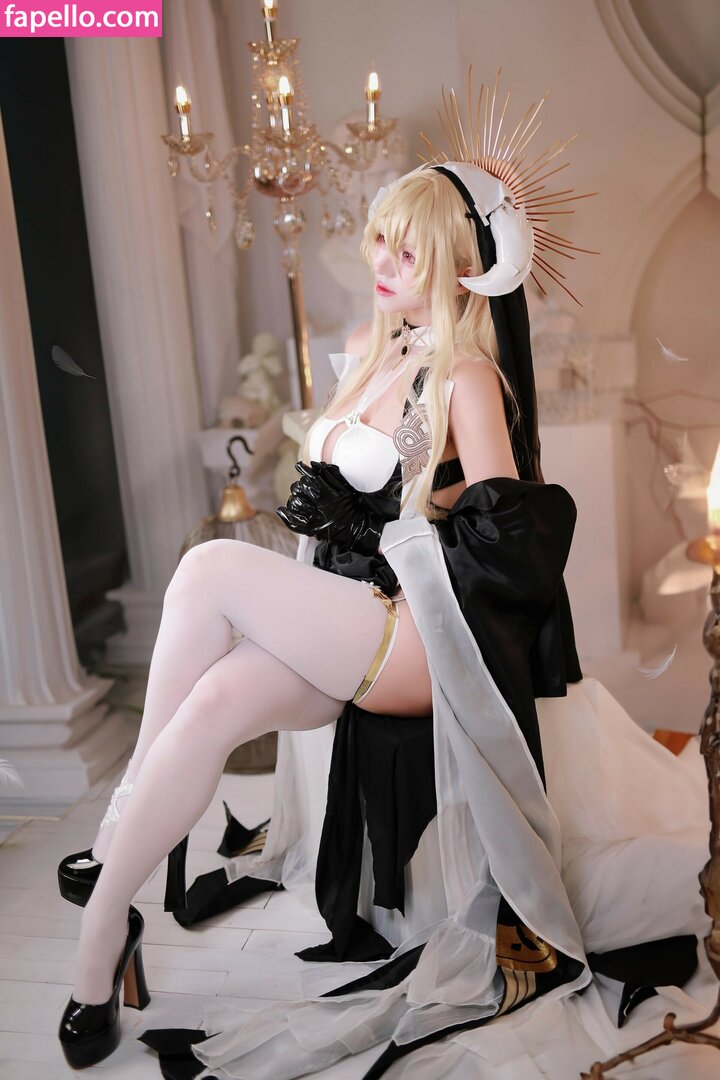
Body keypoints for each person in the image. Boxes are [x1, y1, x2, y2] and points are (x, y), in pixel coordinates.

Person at [57, 83, 712, 1079]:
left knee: (207, 567)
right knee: (215, 702)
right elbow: (334, 488)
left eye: (408, 250)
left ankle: (111, 842)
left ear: (455, 264)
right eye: (380, 241)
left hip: (414, 634)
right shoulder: (370, 352)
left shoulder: (469, 380)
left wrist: (401, 529)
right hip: (349, 618)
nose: (383, 262)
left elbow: (511, 544)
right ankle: (103, 937)